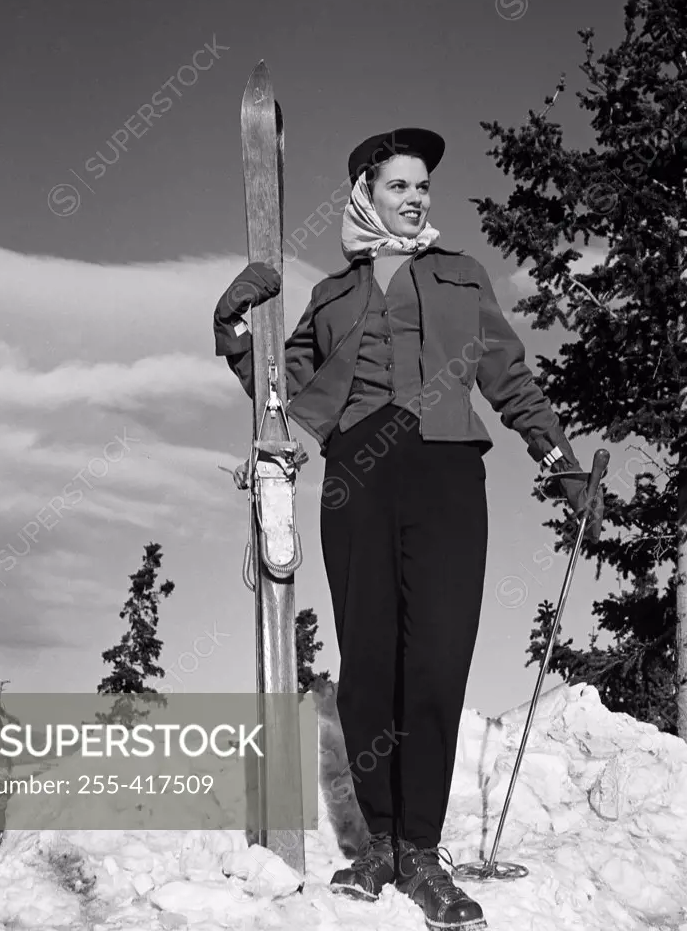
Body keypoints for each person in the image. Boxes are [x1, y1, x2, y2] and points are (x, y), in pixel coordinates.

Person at [213, 127, 603, 931]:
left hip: (446, 473)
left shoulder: (461, 277)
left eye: (422, 185)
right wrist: (234, 334)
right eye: (399, 185)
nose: (416, 197)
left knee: (434, 657)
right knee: (368, 665)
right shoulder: (327, 297)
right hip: (356, 473)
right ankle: (381, 841)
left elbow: (509, 375)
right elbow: (276, 394)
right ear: (364, 192)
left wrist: (559, 460)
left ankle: (421, 846)